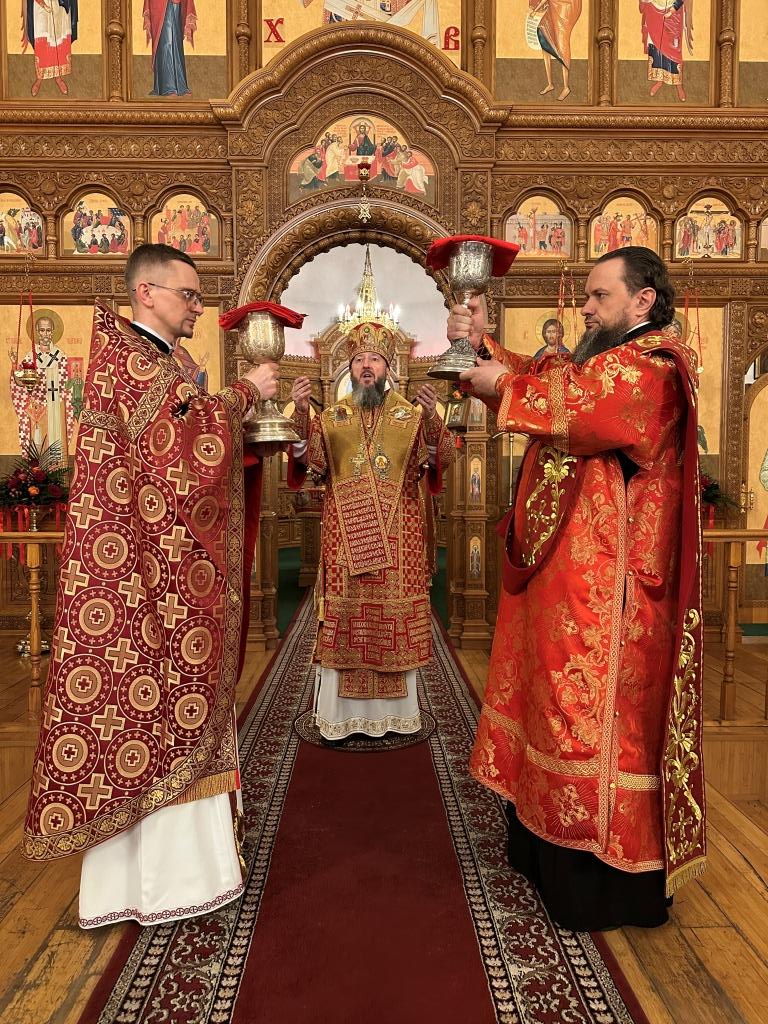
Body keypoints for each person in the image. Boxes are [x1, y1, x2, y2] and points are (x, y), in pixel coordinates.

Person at [24, 243, 281, 929]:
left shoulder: (153, 360)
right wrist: (248, 392)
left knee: (152, 712)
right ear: (146, 292)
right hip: (148, 578)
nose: (197, 308)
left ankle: (163, 879)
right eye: (188, 295)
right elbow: (187, 449)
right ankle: (169, 884)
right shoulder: (136, 360)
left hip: (153, 564)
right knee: (155, 710)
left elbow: (183, 447)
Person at [451, 246, 706, 930]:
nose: (586, 309)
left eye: (599, 296)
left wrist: (501, 386)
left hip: (613, 590)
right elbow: (554, 377)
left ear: (643, 299)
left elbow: (586, 410)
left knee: (589, 719)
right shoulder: (607, 358)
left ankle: (598, 878)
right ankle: (540, 845)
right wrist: (483, 345)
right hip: (569, 578)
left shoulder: (653, 367)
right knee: (550, 701)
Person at [288, 321, 455, 742]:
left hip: (400, 543)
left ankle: (396, 716)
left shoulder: (409, 416)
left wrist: (432, 419)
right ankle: (340, 718)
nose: (367, 366)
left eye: (375, 359)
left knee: (391, 620)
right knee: (346, 616)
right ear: (349, 367)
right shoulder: (332, 417)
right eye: (359, 359)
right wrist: (302, 412)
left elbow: (441, 461)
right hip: (345, 540)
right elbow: (309, 463)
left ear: (388, 368)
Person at [10, 312, 74, 455]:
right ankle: (37, 467)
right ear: (37, 332)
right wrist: (14, 364)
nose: (45, 334)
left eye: (48, 330)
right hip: (37, 408)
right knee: (37, 441)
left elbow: (66, 385)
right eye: (42, 330)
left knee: (56, 441)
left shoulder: (60, 356)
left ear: (52, 332)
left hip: (56, 406)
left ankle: (57, 467)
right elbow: (20, 383)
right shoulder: (30, 356)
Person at [528, 0, 582, 101]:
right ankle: (550, 84)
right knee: (543, 32)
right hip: (553, 6)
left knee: (562, 45)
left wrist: (535, 10)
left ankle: (566, 87)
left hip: (564, 8)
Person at [21, 0, 77, 97]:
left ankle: (58, 75)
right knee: (42, 39)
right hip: (40, 4)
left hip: (60, 4)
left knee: (59, 39)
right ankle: (40, 77)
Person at [640, 0, 693, 102]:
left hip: (673, 13)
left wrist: (673, 9)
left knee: (674, 49)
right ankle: (659, 80)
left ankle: (678, 84)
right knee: (656, 47)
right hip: (653, 10)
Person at [143, 0, 197, 97]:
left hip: (175, 4)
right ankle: (168, 87)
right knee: (166, 40)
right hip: (158, 4)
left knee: (175, 41)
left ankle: (180, 86)